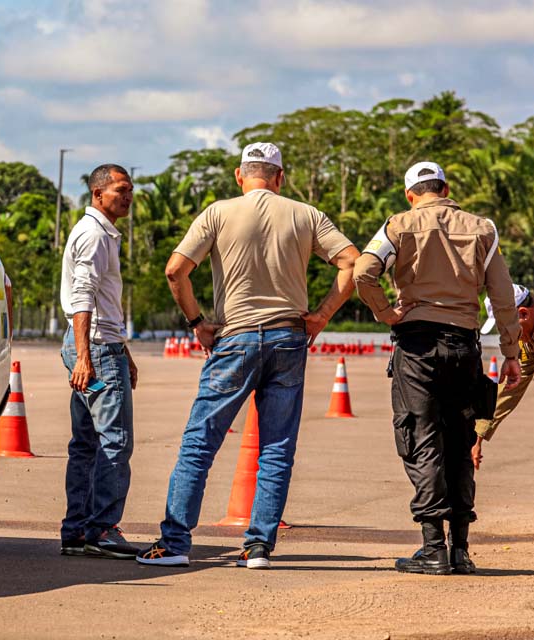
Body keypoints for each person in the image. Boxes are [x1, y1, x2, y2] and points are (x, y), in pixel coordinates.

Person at [136, 142, 359, 568]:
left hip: (234, 338)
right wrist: (322, 315)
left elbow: (174, 270)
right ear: (279, 177)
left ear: (240, 176)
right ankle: (257, 546)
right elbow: (351, 261)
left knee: (200, 443)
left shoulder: (218, 213)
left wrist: (197, 322)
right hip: (288, 339)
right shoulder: (305, 214)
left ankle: (175, 543)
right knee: (276, 447)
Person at [354, 161, 522, 575]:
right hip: (465, 347)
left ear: (411, 194)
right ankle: (461, 550)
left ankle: (433, 549)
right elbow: (501, 294)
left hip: (416, 348)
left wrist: (386, 313)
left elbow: (363, 271)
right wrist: (512, 352)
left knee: (421, 439)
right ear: (446, 188)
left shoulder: (398, 225)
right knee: (459, 443)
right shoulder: (483, 228)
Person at [58, 164, 139, 559]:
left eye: (130, 190)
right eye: (120, 190)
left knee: (86, 444)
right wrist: (87, 358)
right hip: (95, 349)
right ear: (98, 193)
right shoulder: (93, 235)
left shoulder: (101, 232)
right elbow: (83, 297)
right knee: (115, 442)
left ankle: (77, 531)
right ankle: (102, 529)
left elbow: (103, 304)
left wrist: (123, 349)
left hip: (102, 347)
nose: (127, 197)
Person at [475, 284, 534, 558]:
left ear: (523, 314)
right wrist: (477, 436)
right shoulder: (531, 334)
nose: (506, 337)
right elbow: (510, 388)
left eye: (506, 328)